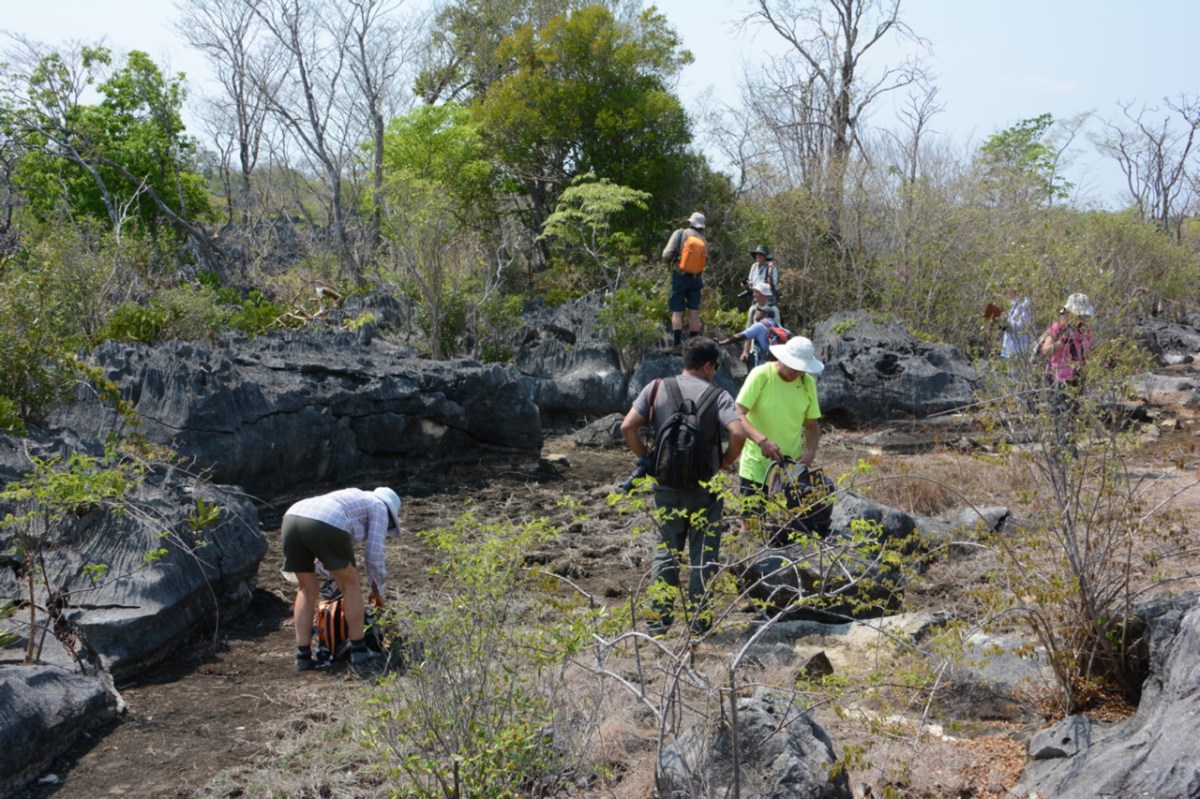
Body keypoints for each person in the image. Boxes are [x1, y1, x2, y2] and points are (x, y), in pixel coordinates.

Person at [620, 336, 746, 636]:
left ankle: (658, 623)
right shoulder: (718, 395)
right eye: (716, 367)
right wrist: (724, 462)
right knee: (704, 556)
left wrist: (648, 460)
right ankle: (700, 623)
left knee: (665, 553)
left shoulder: (656, 388)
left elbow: (627, 427)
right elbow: (738, 432)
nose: (714, 372)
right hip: (705, 488)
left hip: (667, 486)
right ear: (707, 366)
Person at [282, 486, 401, 671]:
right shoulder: (379, 506)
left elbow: (324, 558)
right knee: (351, 585)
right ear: (390, 513)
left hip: (292, 517)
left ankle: (302, 656)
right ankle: (360, 651)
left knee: (306, 588)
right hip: (324, 522)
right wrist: (377, 590)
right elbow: (374, 555)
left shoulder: (354, 499)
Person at [734, 336, 824, 533]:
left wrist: (811, 452)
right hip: (756, 465)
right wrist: (761, 440)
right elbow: (738, 413)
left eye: (801, 368)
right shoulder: (761, 375)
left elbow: (811, 424)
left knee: (786, 527)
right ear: (782, 358)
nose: (796, 372)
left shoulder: (807, 383)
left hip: (789, 468)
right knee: (752, 525)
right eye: (793, 366)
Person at [662, 212, 708, 351]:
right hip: (696, 278)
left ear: (690, 222)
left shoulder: (680, 233)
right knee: (694, 311)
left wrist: (672, 261)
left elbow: (666, 254)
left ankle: (677, 345)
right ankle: (694, 346)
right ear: (701, 227)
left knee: (677, 311)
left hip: (680, 276)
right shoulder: (703, 241)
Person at [1038, 293, 1094, 386]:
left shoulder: (1085, 329)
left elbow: (1089, 353)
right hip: (1058, 380)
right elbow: (1046, 350)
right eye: (1078, 315)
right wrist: (1062, 341)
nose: (1081, 317)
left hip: (1078, 379)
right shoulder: (1057, 328)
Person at [719, 306, 791, 367]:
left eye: (759, 311)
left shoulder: (759, 326)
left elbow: (740, 336)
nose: (756, 312)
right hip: (779, 363)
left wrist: (722, 342)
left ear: (765, 314)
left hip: (764, 363)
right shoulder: (779, 327)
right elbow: (790, 336)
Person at [1000, 287, 1034, 359]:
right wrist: (1000, 322)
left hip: (1019, 352)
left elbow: (1021, 328)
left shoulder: (1025, 304)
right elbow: (1008, 328)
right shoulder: (1012, 304)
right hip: (1009, 349)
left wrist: (1005, 321)